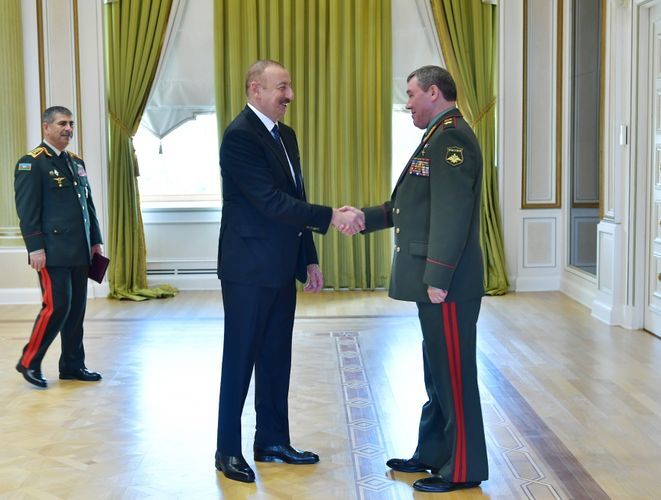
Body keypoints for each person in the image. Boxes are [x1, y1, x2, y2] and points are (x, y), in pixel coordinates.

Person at [215, 59, 363, 483]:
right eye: (282, 87)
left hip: (280, 266)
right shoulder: (240, 137)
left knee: (276, 358)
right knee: (240, 360)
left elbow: (295, 196)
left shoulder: (287, 135)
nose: (289, 95)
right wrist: (331, 215)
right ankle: (227, 450)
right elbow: (269, 202)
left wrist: (308, 257)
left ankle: (272, 441)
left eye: (289, 86)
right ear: (255, 89)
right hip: (247, 270)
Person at [349, 65, 488, 493]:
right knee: (437, 372)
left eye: (411, 94)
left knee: (454, 376)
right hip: (437, 283)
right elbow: (410, 207)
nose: (407, 102)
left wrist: (438, 276)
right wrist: (364, 217)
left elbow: (451, 214)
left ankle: (462, 468)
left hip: (447, 284)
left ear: (433, 92)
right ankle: (432, 453)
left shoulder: (451, 140)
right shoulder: (435, 136)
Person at [14, 106, 104, 389]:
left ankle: (72, 365)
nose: (68, 129)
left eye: (71, 124)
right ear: (46, 127)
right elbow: (27, 211)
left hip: (79, 249)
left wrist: (95, 241)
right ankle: (29, 361)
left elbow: (87, 205)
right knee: (57, 307)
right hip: (52, 251)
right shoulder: (32, 163)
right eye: (62, 123)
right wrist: (35, 248)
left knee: (76, 310)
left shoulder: (75, 162)